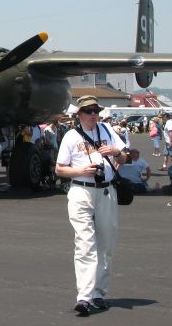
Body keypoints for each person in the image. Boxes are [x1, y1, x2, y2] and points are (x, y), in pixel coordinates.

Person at [54, 95, 127, 316]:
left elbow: (123, 158)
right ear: (80, 115)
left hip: (106, 190)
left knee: (107, 243)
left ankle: (98, 293)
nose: (93, 115)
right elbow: (59, 169)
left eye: (96, 110)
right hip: (81, 189)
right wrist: (80, 171)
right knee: (85, 243)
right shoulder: (70, 136)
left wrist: (115, 152)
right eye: (88, 111)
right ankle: (84, 297)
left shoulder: (107, 131)